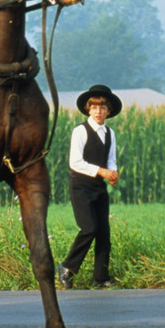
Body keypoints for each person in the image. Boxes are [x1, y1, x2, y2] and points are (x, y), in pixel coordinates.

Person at [58, 84, 122, 290]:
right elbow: (75, 162)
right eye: (94, 107)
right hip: (81, 187)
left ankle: (101, 277)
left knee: (103, 232)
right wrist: (101, 171)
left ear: (108, 111)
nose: (98, 111)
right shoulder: (80, 131)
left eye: (102, 107)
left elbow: (110, 160)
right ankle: (67, 267)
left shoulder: (110, 133)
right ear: (88, 109)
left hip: (99, 188)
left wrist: (112, 172)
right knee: (89, 228)